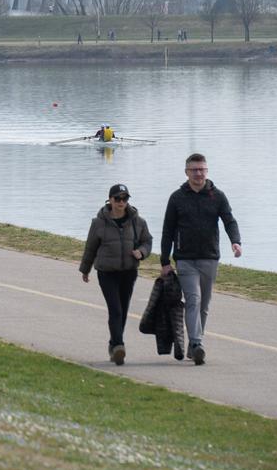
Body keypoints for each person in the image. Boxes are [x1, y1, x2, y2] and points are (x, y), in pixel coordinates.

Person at [160, 153, 242, 366]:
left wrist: (236, 241)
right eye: (194, 170)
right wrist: (164, 261)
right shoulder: (177, 198)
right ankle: (197, 343)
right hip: (185, 259)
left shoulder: (218, 196)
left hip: (209, 257)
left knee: (204, 305)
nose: (198, 173)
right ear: (187, 172)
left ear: (207, 171)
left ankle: (194, 344)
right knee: (193, 300)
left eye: (202, 169)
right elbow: (167, 230)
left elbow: (229, 221)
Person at [79, 183, 152, 365]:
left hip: (129, 272)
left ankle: (113, 345)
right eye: (117, 198)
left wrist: (141, 252)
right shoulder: (98, 223)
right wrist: (85, 269)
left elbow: (147, 241)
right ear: (110, 200)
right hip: (107, 272)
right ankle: (119, 345)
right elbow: (91, 247)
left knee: (123, 309)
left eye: (124, 199)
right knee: (115, 309)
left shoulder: (138, 221)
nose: (121, 202)